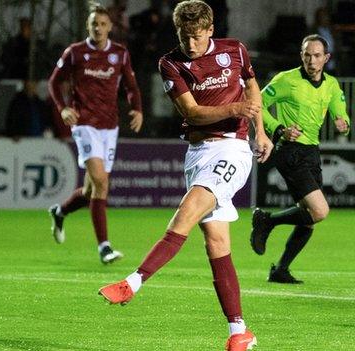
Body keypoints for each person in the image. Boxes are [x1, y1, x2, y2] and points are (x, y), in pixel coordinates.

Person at [97, 1, 272, 350]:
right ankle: (240, 332)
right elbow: (191, 112)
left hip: (232, 150)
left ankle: (133, 282)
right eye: (183, 36)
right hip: (197, 153)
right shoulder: (170, 63)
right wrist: (236, 107)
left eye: (195, 36)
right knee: (217, 245)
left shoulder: (234, 49)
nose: (189, 44)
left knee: (185, 214)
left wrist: (260, 131)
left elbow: (251, 86)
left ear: (209, 30)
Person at [250, 34, 350, 284]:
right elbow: (256, 104)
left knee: (308, 219)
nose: (311, 60)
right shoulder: (286, 80)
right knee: (320, 211)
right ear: (301, 56)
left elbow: (342, 116)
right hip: (289, 150)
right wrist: (279, 129)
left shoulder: (332, 85)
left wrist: (343, 124)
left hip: (312, 153)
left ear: (326, 58)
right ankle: (267, 220)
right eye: (307, 54)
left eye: (317, 55)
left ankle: (281, 269)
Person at [47, 4, 143, 264]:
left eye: (102, 24)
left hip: (109, 127)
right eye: (94, 24)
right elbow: (55, 82)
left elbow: (131, 87)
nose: (98, 28)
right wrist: (64, 108)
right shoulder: (75, 53)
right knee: (101, 182)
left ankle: (60, 211)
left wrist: (137, 110)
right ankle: (104, 247)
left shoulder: (120, 54)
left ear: (110, 27)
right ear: (87, 27)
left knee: (92, 191)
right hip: (84, 124)